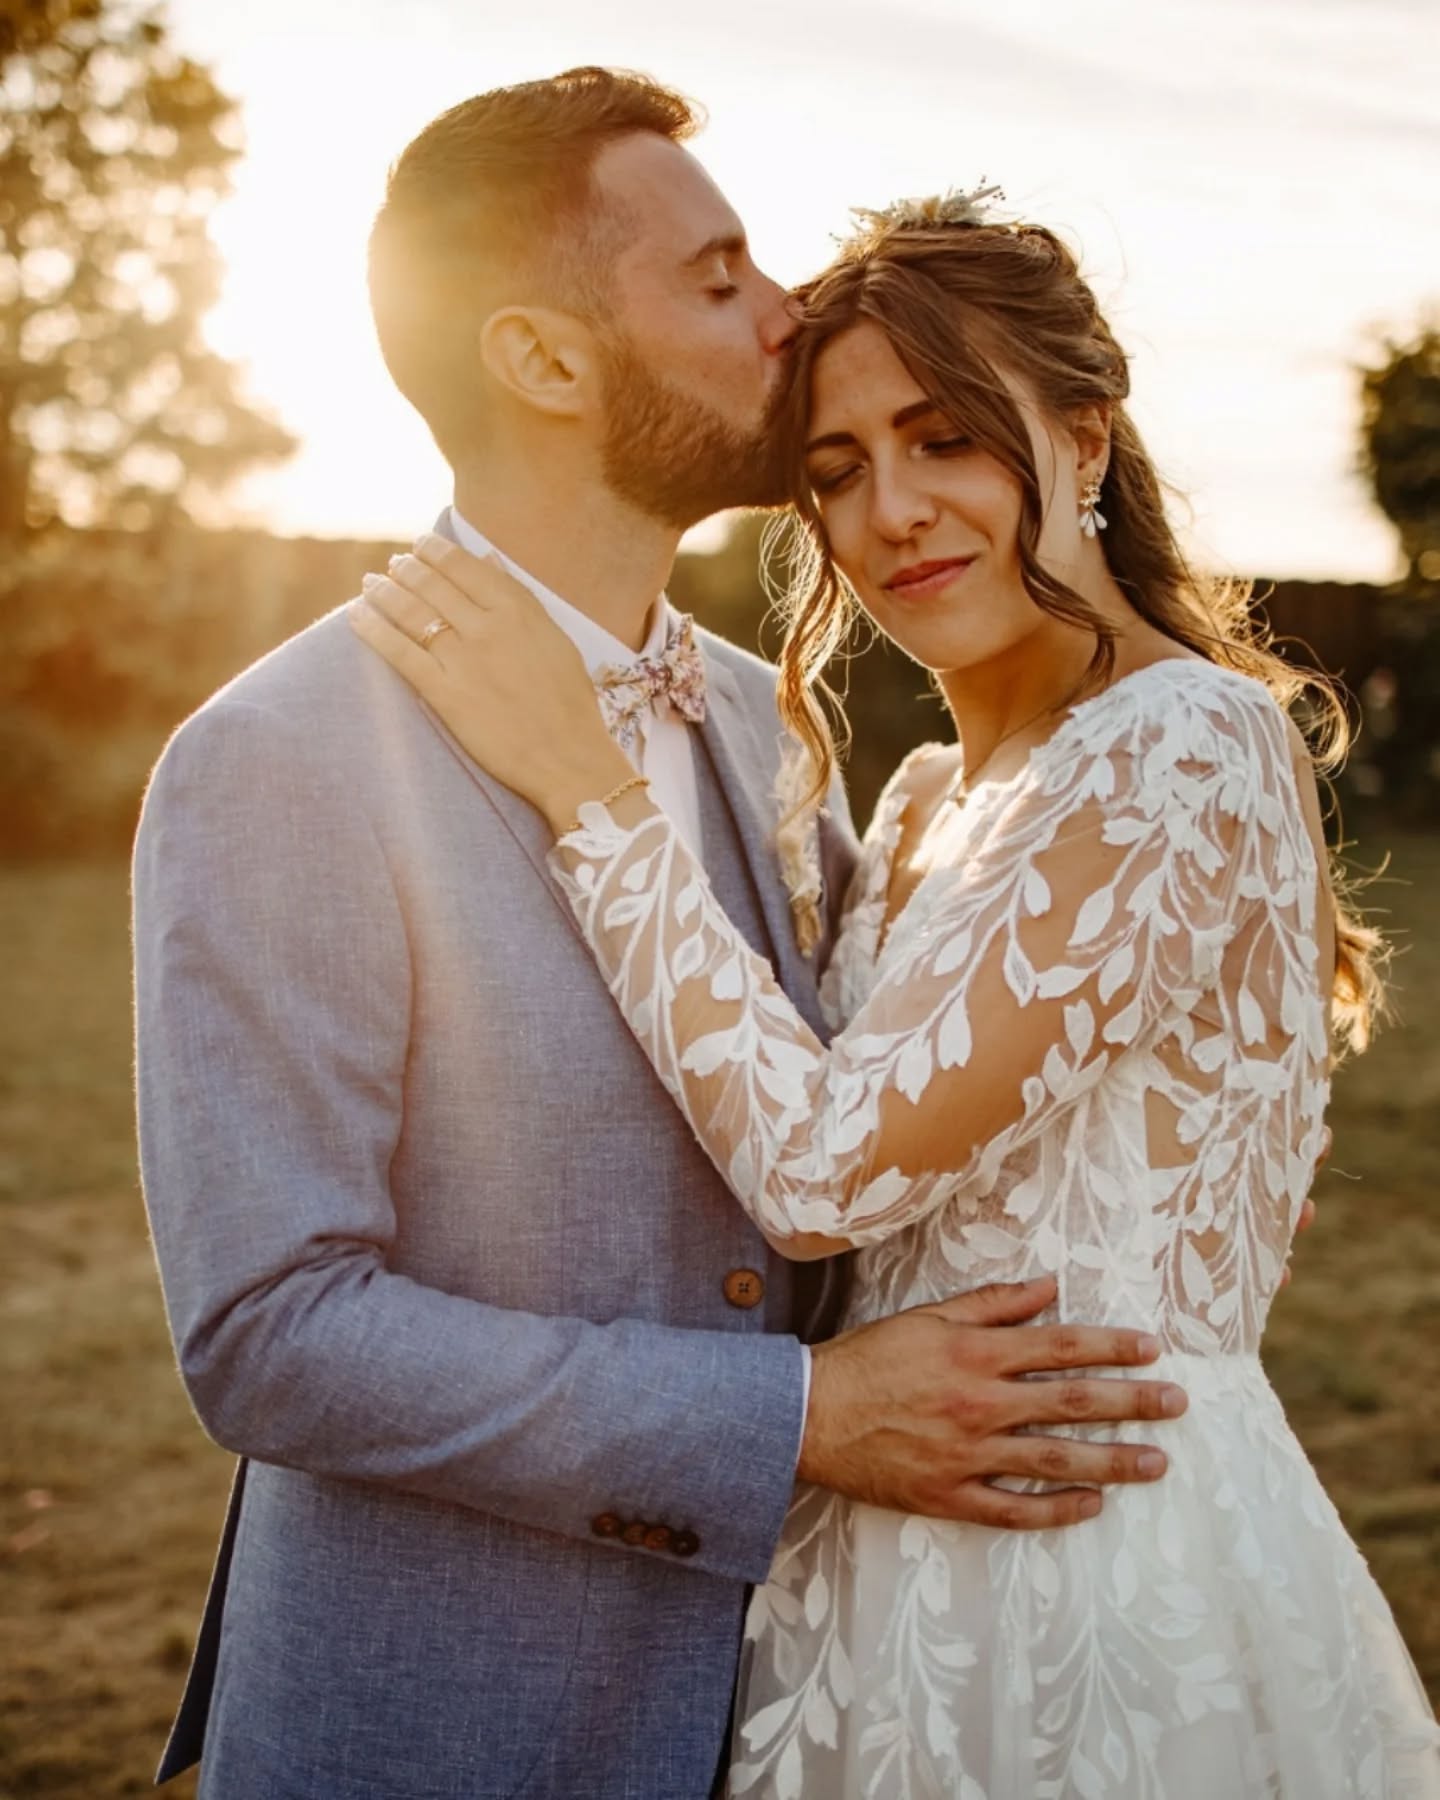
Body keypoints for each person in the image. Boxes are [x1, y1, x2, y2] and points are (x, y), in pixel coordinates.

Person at [132, 75, 1190, 1800]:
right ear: (546, 362)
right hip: (448, 1723)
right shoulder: (280, 757)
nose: (788, 318)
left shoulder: (773, 732)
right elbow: (270, 1330)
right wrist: (802, 1421)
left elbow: (862, 1098)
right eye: (718, 279)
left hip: (796, 1706)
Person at [353, 186, 1440, 1797]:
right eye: (837, 471)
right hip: (855, 1564)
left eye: (946, 439)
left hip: (1083, 1564)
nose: (894, 514)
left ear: (1082, 438)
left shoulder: (1190, 744)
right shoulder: (924, 796)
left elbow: (820, 1173)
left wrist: (588, 790)